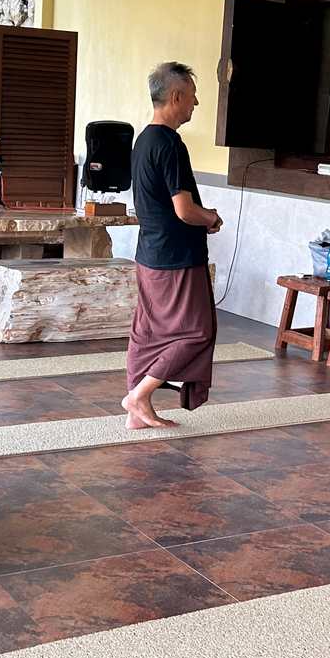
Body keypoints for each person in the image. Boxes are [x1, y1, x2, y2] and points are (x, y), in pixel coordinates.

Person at [123, 61, 223, 429]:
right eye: (193, 97)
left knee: (148, 333)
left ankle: (136, 412)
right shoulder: (169, 143)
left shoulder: (143, 140)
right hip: (176, 258)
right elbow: (184, 210)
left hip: (150, 253)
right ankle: (139, 396)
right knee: (197, 332)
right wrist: (209, 217)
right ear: (176, 97)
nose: (196, 104)